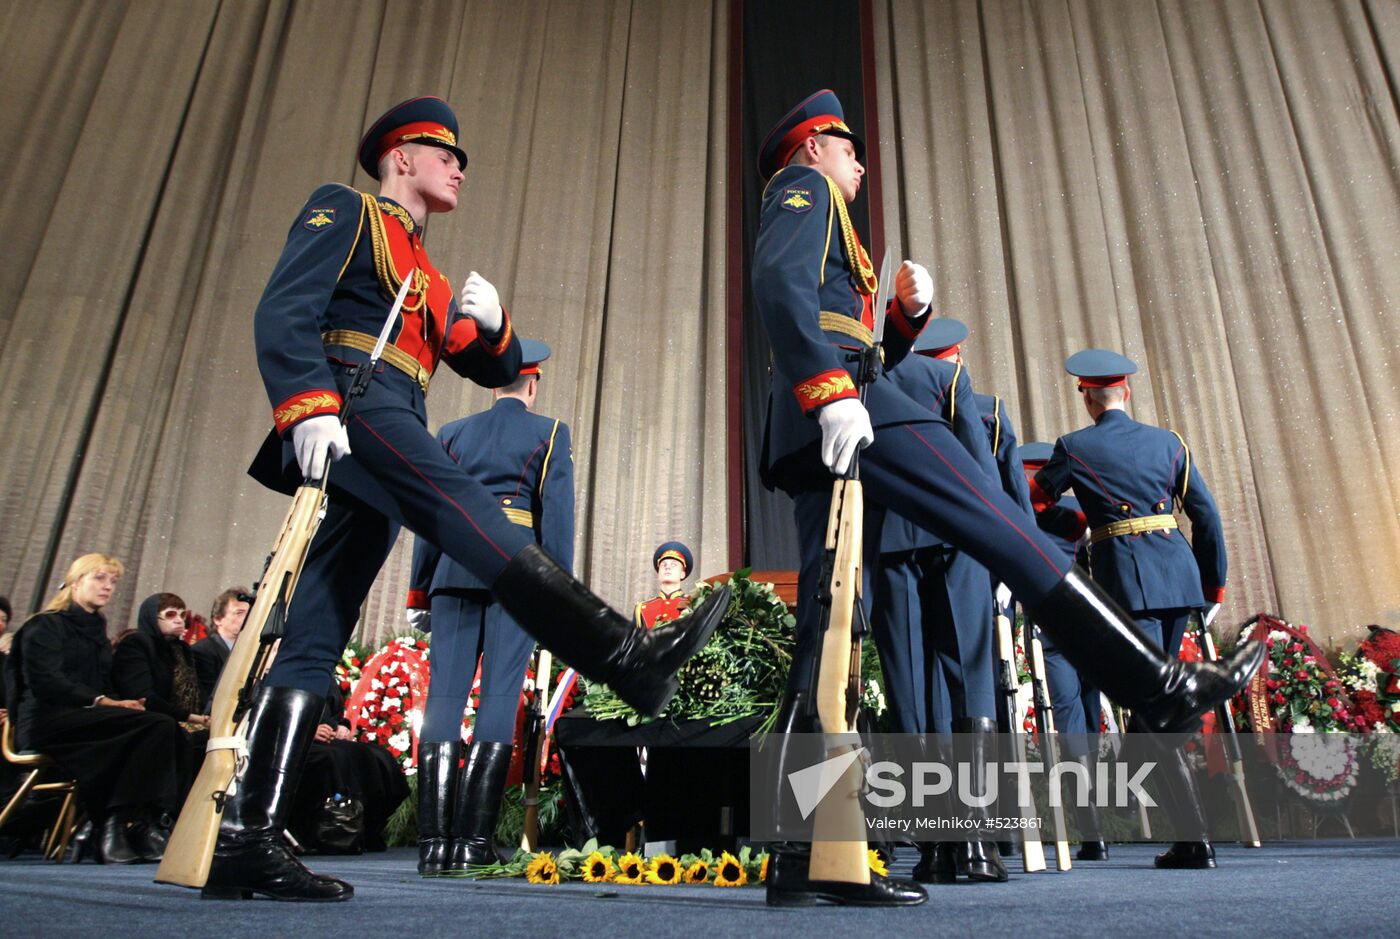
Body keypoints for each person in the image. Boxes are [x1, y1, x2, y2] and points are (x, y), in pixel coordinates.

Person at [211, 96, 729, 902]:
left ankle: (247, 835)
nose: (457, 168)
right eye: (443, 154)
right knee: (473, 518)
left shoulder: (428, 273)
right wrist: (305, 404)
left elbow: (488, 365)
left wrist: (495, 328)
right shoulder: (346, 211)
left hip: (388, 419)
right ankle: (627, 655)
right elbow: (284, 308)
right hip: (355, 405)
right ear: (400, 158)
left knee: (318, 626)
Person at [751, 90, 1261, 906]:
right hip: (843, 399)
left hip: (835, 400)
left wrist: (904, 322)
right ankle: (1157, 686)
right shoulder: (802, 187)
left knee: (826, 630)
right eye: (849, 148)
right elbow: (780, 286)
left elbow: (839, 324)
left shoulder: (827, 208)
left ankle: (800, 850)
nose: (860, 165)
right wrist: (830, 390)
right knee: (996, 521)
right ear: (814, 146)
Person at [1030, 349, 1227, 869]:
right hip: (1180, 579)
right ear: (1127, 393)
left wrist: (1075, 525)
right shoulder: (1170, 442)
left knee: (1151, 707)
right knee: (1155, 705)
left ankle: (1194, 838)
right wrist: (1212, 586)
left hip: (1128, 584)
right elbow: (1206, 516)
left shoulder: (1074, 446)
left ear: (1088, 399)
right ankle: (1174, 823)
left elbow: (1036, 500)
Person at [405, 339, 574, 875]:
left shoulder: (452, 433)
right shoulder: (551, 432)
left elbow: (430, 514)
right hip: (516, 574)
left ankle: (434, 845)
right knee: (499, 696)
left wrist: (419, 589)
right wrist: (556, 593)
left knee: (444, 699)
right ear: (533, 383)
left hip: (453, 568)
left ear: (493, 382)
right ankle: (472, 842)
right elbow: (557, 521)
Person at [867, 318, 1007, 883]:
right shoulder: (947, 378)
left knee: (909, 692)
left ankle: (932, 846)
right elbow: (979, 471)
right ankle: (976, 843)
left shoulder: (863, 375)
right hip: (954, 538)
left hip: (889, 541)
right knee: (968, 678)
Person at [4, 554, 192, 864]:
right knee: (152, 727)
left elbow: (105, 683)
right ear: (76, 582)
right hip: (47, 720)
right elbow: (47, 683)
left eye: (113, 581)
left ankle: (140, 822)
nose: (108, 587)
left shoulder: (97, 631)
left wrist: (125, 704)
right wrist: (104, 702)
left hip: (85, 718)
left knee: (165, 727)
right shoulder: (44, 624)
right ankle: (112, 826)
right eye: (99, 578)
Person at [111, 593, 210, 734]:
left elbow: (198, 692)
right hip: (147, 723)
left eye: (182, 615)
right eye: (170, 615)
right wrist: (192, 717)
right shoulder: (137, 643)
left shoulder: (181, 649)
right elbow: (142, 696)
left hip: (180, 721)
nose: (179, 621)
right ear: (152, 617)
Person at [191, 588, 252, 709]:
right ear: (218, 619)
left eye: (249, 613)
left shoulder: (252, 649)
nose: (247, 618)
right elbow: (208, 698)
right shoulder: (202, 651)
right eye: (239, 613)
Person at [634, 542, 696, 629]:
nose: (667, 567)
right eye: (663, 565)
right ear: (658, 573)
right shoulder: (642, 608)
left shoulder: (692, 605)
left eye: (673, 565)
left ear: (682, 574)